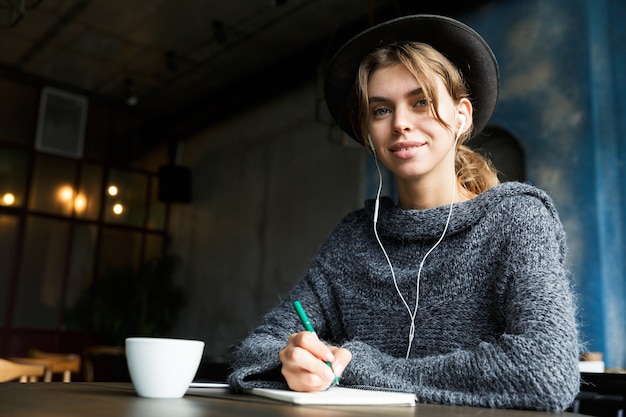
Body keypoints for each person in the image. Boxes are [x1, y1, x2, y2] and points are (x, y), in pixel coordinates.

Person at [227, 14, 580, 412]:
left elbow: (544, 371)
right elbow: (256, 347)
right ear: (367, 132)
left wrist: (362, 367)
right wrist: (290, 361)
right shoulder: (355, 239)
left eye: (421, 103)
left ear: (462, 116)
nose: (400, 124)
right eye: (380, 110)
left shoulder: (517, 220)